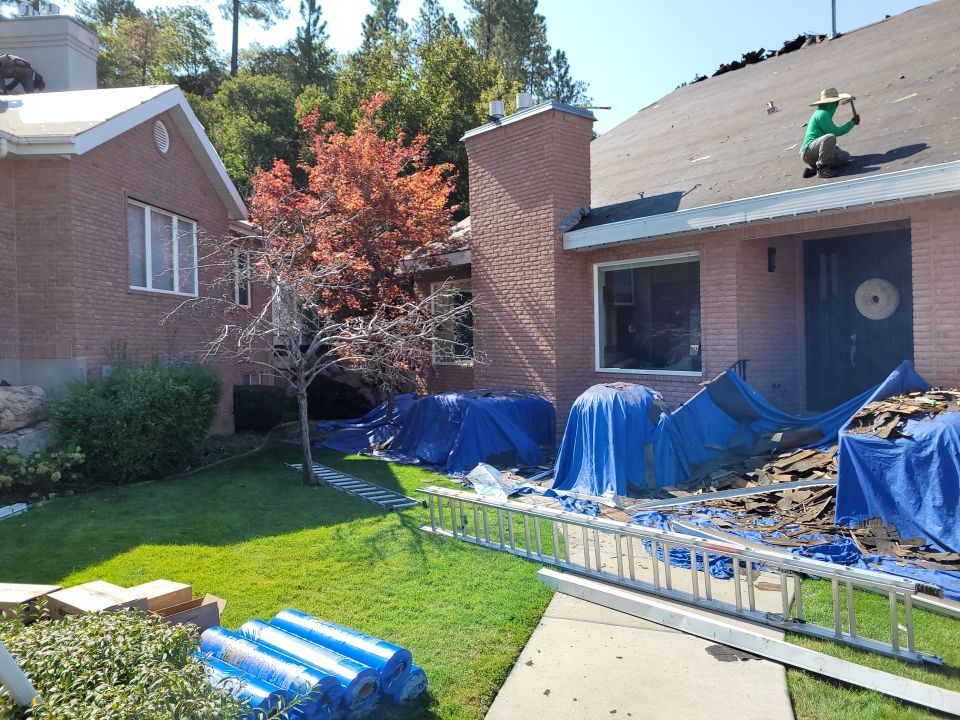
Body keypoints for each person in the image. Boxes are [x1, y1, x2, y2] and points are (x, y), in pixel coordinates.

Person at [800, 87, 859, 178]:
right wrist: (852, 123)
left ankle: (815, 167)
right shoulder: (822, 114)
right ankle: (822, 169)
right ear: (832, 103)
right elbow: (835, 132)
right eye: (836, 102)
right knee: (830, 137)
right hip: (808, 151)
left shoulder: (822, 113)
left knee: (844, 156)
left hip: (814, 152)